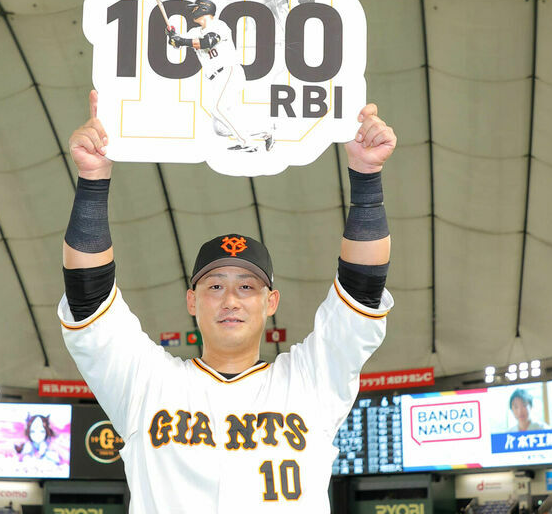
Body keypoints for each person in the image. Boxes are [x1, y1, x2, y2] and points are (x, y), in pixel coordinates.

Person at [58, 90, 396, 513]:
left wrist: (367, 176)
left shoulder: (310, 381)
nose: (231, 300)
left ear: (271, 301)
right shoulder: (147, 384)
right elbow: (89, 297)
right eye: (215, 286)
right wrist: (93, 180)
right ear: (192, 301)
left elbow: (361, 288)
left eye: (247, 287)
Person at [166, 0, 274, 152]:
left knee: (217, 107)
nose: (192, 11)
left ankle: (247, 143)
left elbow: (208, 41)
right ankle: (266, 129)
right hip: (216, 79)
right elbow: (178, 43)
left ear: (204, 9)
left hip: (229, 71)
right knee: (220, 129)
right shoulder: (194, 32)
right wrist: (172, 36)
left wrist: (181, 40)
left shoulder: (219, 25)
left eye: (195, 8)